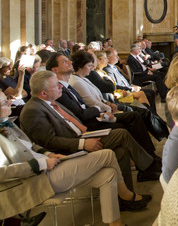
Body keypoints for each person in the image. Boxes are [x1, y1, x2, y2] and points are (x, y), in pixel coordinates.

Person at [0, 92, 151, 223]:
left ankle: (114, 222)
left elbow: (32, 146)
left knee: (108, 174)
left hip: (49, 163)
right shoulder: (31, 110)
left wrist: (47, 154)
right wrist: (41, 164)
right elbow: (3, 172)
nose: (9, 102)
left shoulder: (8, 124)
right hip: (34, 181)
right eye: (3, 102)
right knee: (108, 154)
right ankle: (126, 193)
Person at [18, 71, 159, 191]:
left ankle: (126, 197)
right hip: (69, 150)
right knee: (121, 133)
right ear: (43, 92)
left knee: (121, 151)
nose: (61, 86)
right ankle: (149, 166)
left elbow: (74, 121)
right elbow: (49, 142)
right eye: (56, 85)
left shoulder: (52, 102)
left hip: (83, 135)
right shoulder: (33, 110)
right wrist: (82, 144)